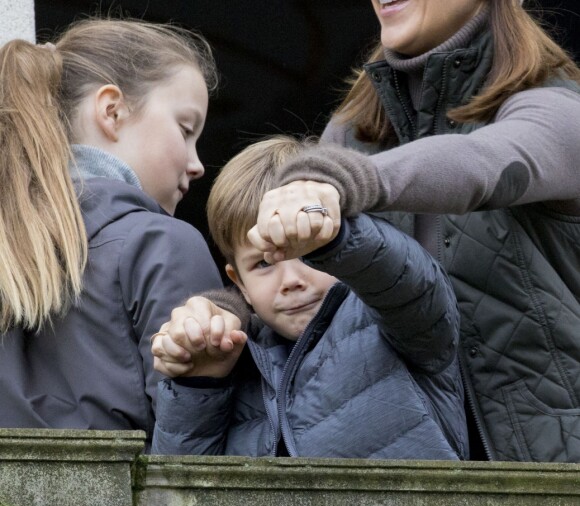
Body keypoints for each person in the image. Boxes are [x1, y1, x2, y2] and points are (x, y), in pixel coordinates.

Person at [216, 0, 580, 462]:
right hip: (416, 495)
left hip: (557, 485)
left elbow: (484, 165)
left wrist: (348, 182)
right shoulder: (352, 134)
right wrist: (224, 312)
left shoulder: (558, 107)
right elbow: (312, 311)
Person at [151, 136, 468, 460]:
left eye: (308, 252)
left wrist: (343, 237)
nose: (291, 280)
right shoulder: (238, 361)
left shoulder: (392, 318)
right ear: (239, 283)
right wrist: (201, 382)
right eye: (264, 263)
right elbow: (179, 498)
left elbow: (411, 283)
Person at [0, 18, 223, 441]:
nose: (197, 165)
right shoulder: (163, 244)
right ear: (112, 111)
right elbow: (190, 469)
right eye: (186, 129)